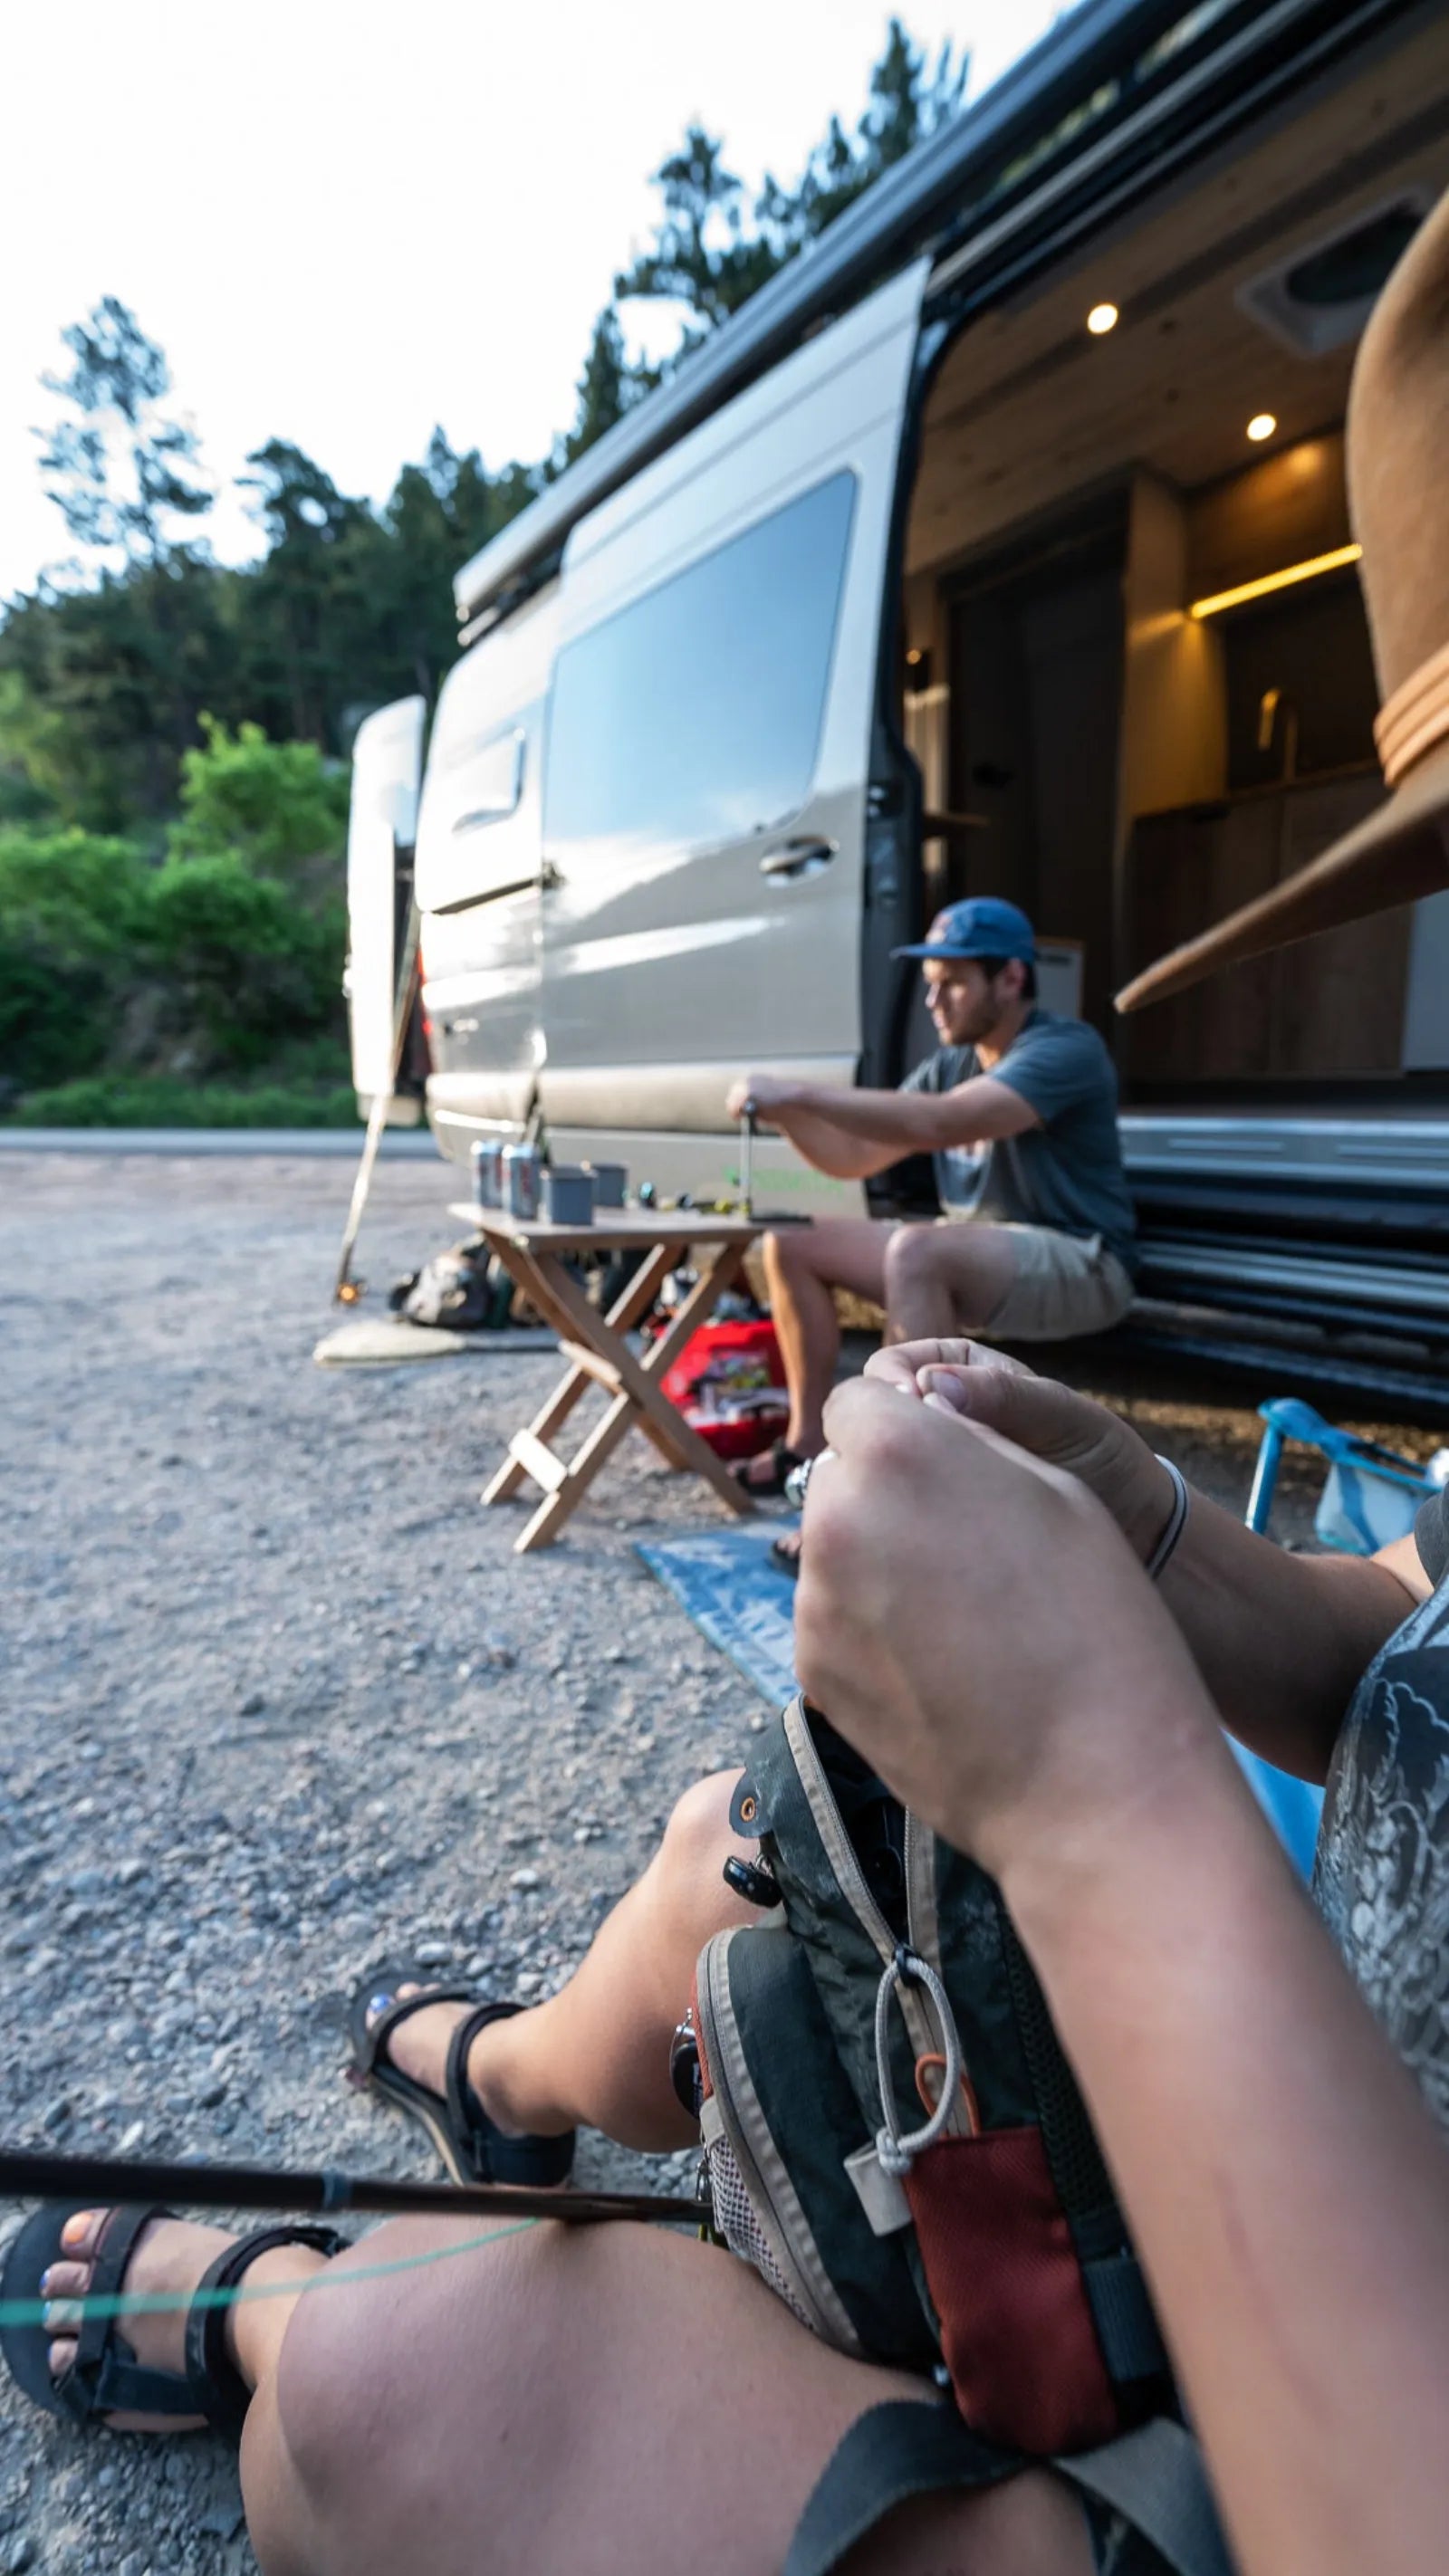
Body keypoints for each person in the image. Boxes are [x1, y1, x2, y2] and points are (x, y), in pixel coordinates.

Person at [11, 168, 1449, 2576]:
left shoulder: (1052, 1058)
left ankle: (299, 2299)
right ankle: (512, 2078)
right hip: (1343, 2057)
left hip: (1064, 1274)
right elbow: (1430, 1642)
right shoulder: (968, 1023)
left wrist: (1102, 1788)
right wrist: (1186, 1555)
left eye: (982, 975)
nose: (976, 992)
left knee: (394, 2402)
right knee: (742, 1854)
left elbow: (961, 1154)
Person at [724, 895, 1137, 1499]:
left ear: (1011, 978)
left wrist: (800, 1091)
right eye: (929, 983)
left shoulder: (1065, 1048)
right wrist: (782, 1111)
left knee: (919, 1250)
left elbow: (938, 1123)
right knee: (791, 1240)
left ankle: (891, 1490)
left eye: (951, 984)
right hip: (976, 1249)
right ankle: (806, 1446)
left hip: (1085, 1259)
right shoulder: (952, 1062)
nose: (932, 1001)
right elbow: (851, 1157)